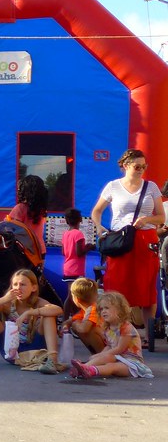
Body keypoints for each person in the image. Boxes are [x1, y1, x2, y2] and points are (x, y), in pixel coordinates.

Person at [90, 148, 164, 328]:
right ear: (125, 165)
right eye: (137, 166)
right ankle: (115, 330)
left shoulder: (151, 187)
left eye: (143, 166)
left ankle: (149, 334)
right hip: (121, 239)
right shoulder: (113, 186)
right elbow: (96, 211)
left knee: (146, 288)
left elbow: (161, 217)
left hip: (146, 239)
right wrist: (99, 226)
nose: (141, 170)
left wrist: (147, 219)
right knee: (116, 283)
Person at [0, 268, 63, 374]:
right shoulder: (8, 304)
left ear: (34, 287)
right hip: (11, 351)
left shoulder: (39, 302)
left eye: (23, 284)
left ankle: (52, 360)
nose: (18, 288)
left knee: (48, 315)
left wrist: (30, 313)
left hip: (35, 350)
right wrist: (3, 299)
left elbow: (58, 310)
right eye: (15, 284)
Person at [70, 291, 153, 379]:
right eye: (101, 309)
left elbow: (119, 349)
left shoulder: (126, 327)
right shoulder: (107, 328)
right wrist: (100, 356)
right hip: (117, 358)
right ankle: (84, 367)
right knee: (103, 358)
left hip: (131, 363)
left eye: (107, 308)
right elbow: (109, 346)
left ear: (119, 310)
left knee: (111, 366)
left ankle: (91, 370)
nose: (103, 311)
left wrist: (101, 356)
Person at [9, 174, 49, 257]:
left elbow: (13, 229)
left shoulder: (20, 208)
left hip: (24, 250)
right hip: (40, 249)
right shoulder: (41, 209)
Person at [62, 277, 105, 354]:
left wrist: (75, 324)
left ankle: (102, 356)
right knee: (77, 324)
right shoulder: (85, 310)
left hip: (114, 343)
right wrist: (65, 327)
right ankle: (97, 354)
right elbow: (68, 321)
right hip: (109, 340)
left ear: (76, 299)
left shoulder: (94, 309)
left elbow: (84, 329)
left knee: (89, 329)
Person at [60, 208, 92, 284]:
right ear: (80, 219)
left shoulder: (65, 234)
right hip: (76, 269)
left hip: (67, 268)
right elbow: (79, 253)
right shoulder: (78, 234)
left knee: (71, 294)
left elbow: (63, 252)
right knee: (76, 294)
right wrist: (89, 248)